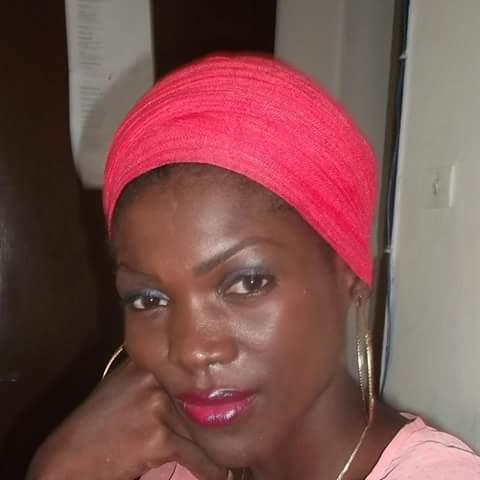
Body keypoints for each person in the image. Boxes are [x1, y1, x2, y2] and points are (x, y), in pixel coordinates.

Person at [27, 54, 480, 480]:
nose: (191, 350)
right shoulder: (168, 465)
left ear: (350, 273)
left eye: (247, 283)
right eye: (149, 299)